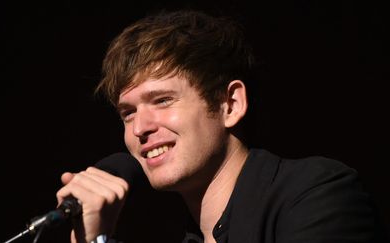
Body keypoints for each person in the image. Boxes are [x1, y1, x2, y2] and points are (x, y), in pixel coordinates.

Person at [56, 10, 388, 243]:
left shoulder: (315, 192)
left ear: (230, 105)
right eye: (127, 113)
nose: (140, 127)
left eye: (162, 100)